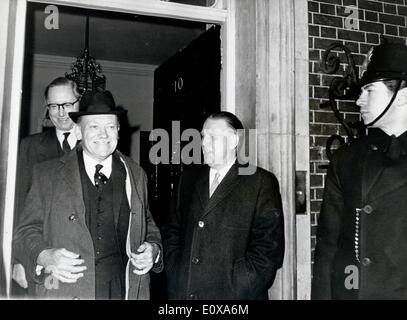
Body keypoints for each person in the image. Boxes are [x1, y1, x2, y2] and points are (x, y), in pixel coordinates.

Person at [13, 90, 162, 299]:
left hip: (122, 290)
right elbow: (25, 232)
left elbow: (148, 226)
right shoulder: (46, 174)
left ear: (119, 130)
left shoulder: (137, 175)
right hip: (66, 290)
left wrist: (153, 250)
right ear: (79, 132)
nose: (104, 134)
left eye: (110, 126)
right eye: (94, 126)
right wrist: (45, 256)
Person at [312, 43, 407, 299]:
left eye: (369, 90)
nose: (358, 100)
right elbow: (327, 251)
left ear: (402, 96)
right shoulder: (346, 159)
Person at [162, 111, 285, 300]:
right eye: (203, 137)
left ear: (234, 141)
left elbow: (268, 250)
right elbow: (172, 232)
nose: (203, 143)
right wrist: (177, 275)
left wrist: (237, 286)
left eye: (212, 137)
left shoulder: (260, 182)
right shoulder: (187, 180)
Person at [12, 77, 81, 293]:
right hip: (41, 256)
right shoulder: (29, 146)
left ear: (80, 104)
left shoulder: (95, 143)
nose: (61, 113)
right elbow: (17, 204)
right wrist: (18, 260)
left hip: (82, 257)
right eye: (54, 106)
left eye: (68, 104)